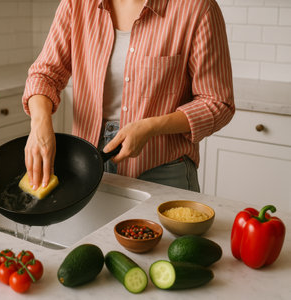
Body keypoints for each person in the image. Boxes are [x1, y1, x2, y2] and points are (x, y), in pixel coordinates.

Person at [22, 0, 235, 192]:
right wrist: (40, 123)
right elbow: (45, 75)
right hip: (87, 163)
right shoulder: (76, 4)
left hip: (163, 168)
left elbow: (217, 102)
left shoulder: (197, 8)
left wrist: (151, 127)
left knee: (174, 238)